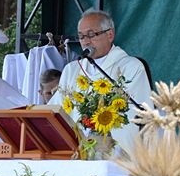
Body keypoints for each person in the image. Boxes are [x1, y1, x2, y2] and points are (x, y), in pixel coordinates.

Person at [49, 9, 152, 154]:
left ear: (110, 35)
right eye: (81, 36)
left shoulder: (131, 67)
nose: (86, 41)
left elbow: (135, 115)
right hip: (76, 151)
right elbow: (56, 109)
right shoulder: (71, 70)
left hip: (115, 152)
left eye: (91, 34)